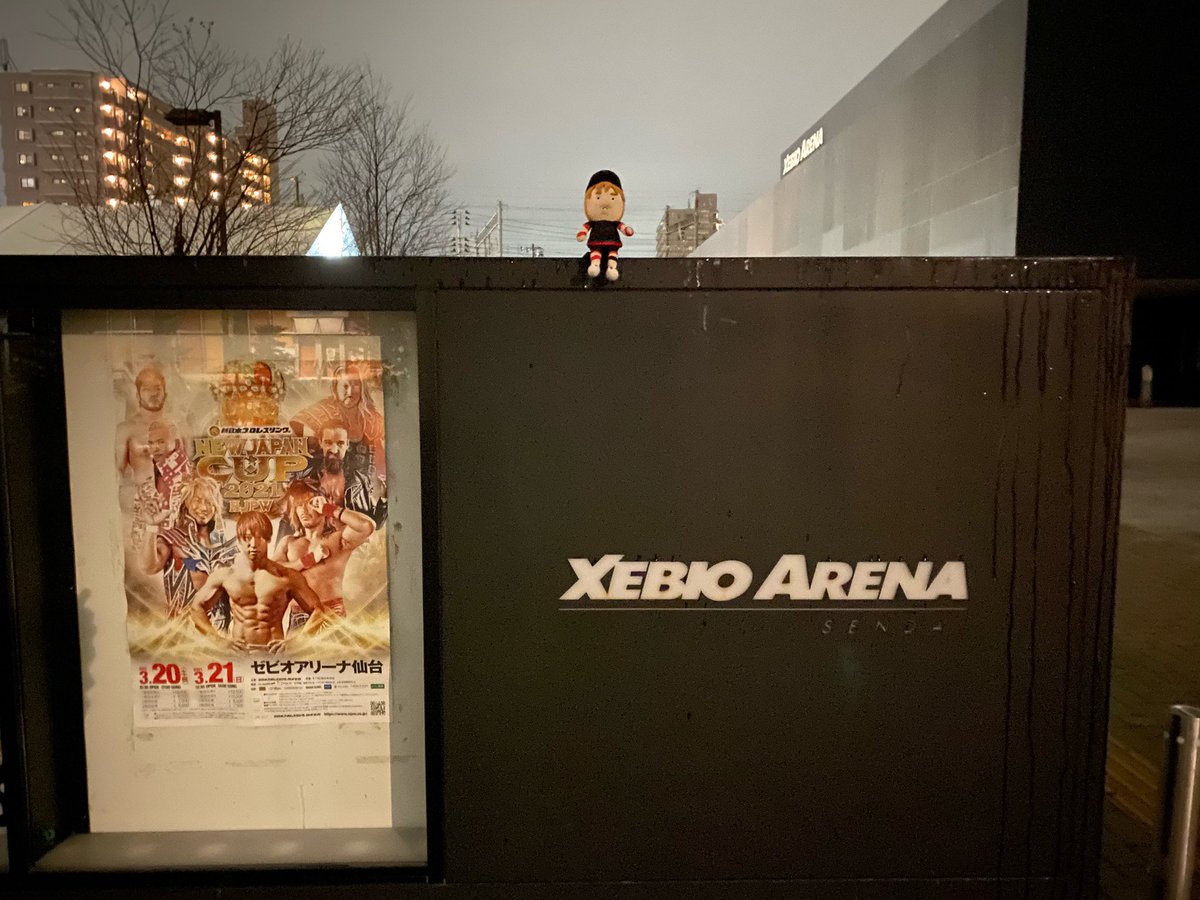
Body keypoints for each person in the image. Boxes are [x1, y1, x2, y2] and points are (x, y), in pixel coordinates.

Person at [189, 510, 326, 653]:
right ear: (239, 540)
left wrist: (298, 641)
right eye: (247, 538)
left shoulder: (287, 576)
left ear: (268, 539)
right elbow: (196, 608)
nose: (253, 544)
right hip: (240, 653)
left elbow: (319, 611)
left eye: (259, 538)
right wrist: (218, 641)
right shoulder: (226, 575)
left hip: (274, 654)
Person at [274, 481, 375, 620]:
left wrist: (330, 509)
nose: (303, 511)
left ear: (320, 506)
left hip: (331, 614)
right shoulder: (289, 542)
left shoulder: (337, 539)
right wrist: (309, 560)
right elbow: (272, 571)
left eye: (308, 504)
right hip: (298, 616)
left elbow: (366, 526)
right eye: (299, 506)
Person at [147, 474, 237, 622]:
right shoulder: (173, 539)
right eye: (197, 500)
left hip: (220, 629)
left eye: (209, 502)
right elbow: (150, 567)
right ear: (186, 503)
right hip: (184, 628)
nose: (204, 507)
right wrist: (150, 527)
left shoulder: (225, 542)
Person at [289, 363, 385, 480]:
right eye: (345, 385)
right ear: (335, 387)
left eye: (356, 384)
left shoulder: (372, 418)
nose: (350, 391)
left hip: (363, 486)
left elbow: (380, 463)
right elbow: (305, 459)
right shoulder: (319, 413)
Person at [576, 170, 634, 281]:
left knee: (612, 253)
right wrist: (582, 233)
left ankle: (611, 268)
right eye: (598, 198)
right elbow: (585, 228)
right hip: (600, 241)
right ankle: (595, 265)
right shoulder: (594, 223)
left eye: (613, 198)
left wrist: (627, 230)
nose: (605, 205)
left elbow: (623, 228)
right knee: (597, 251)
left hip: (609, 241)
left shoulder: (614, 223)